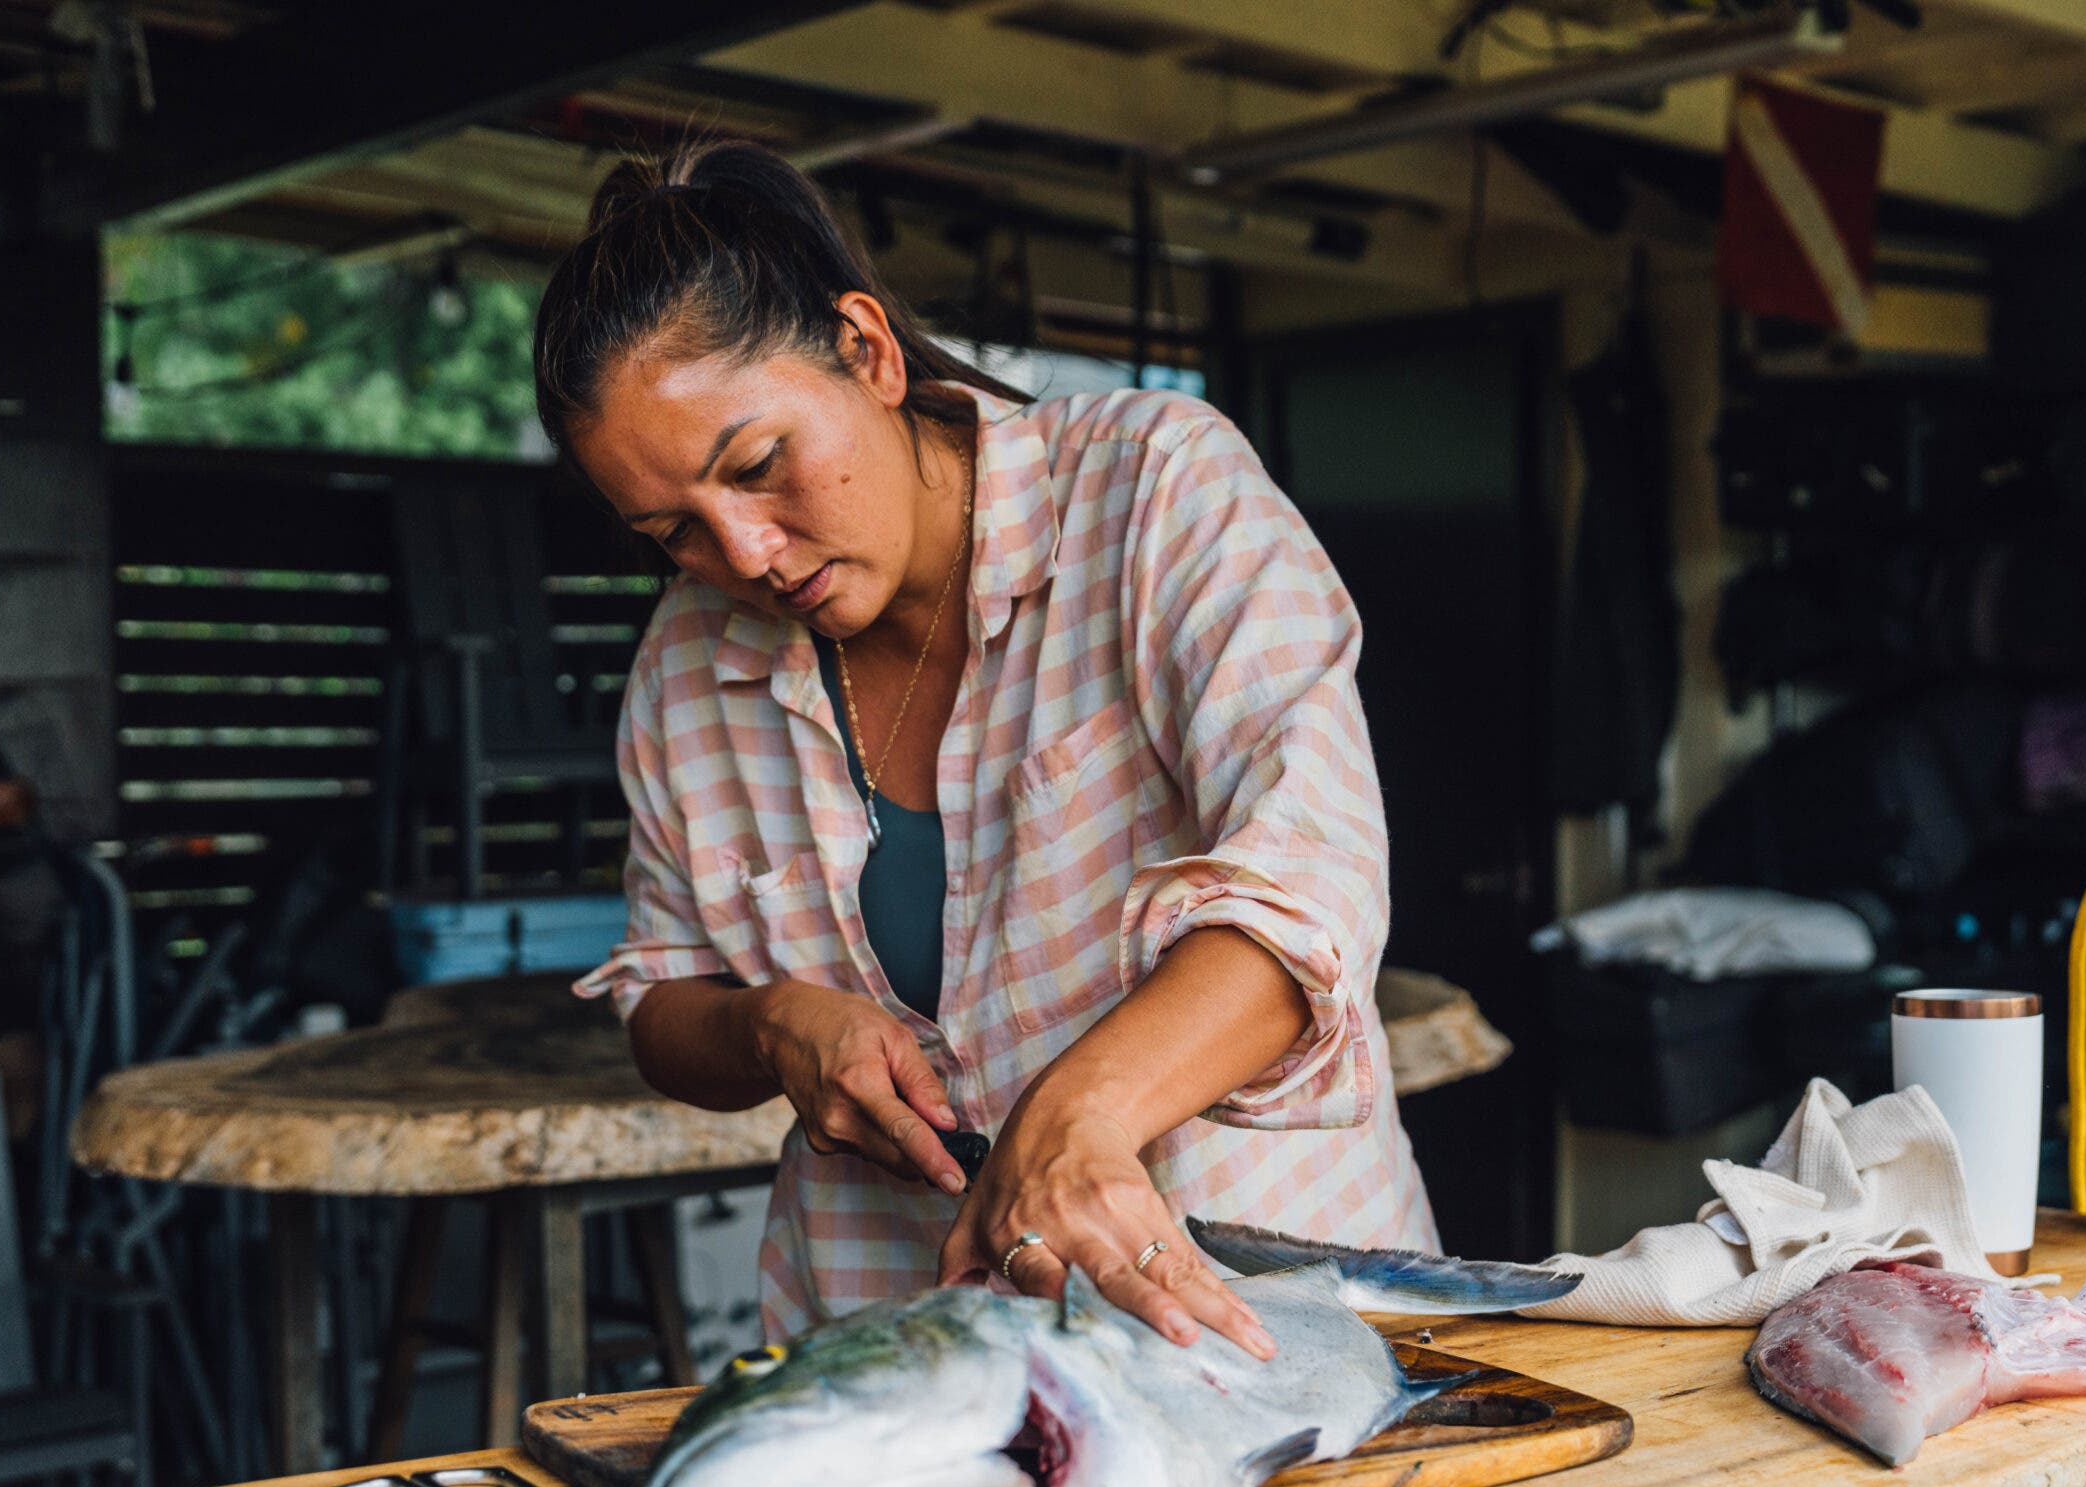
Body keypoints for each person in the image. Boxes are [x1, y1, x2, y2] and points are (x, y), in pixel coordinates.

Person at [540, 141, 1437, 1359]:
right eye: (672, 532)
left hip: (1255, 1316)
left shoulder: (1154, 492)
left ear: (865, 348)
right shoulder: (686, 668)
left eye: (757, 467)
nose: (743, 554)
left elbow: (1311, 892)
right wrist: (774, 1027)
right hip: (898, 1347)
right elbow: (660, 998)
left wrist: (1079, 1118)